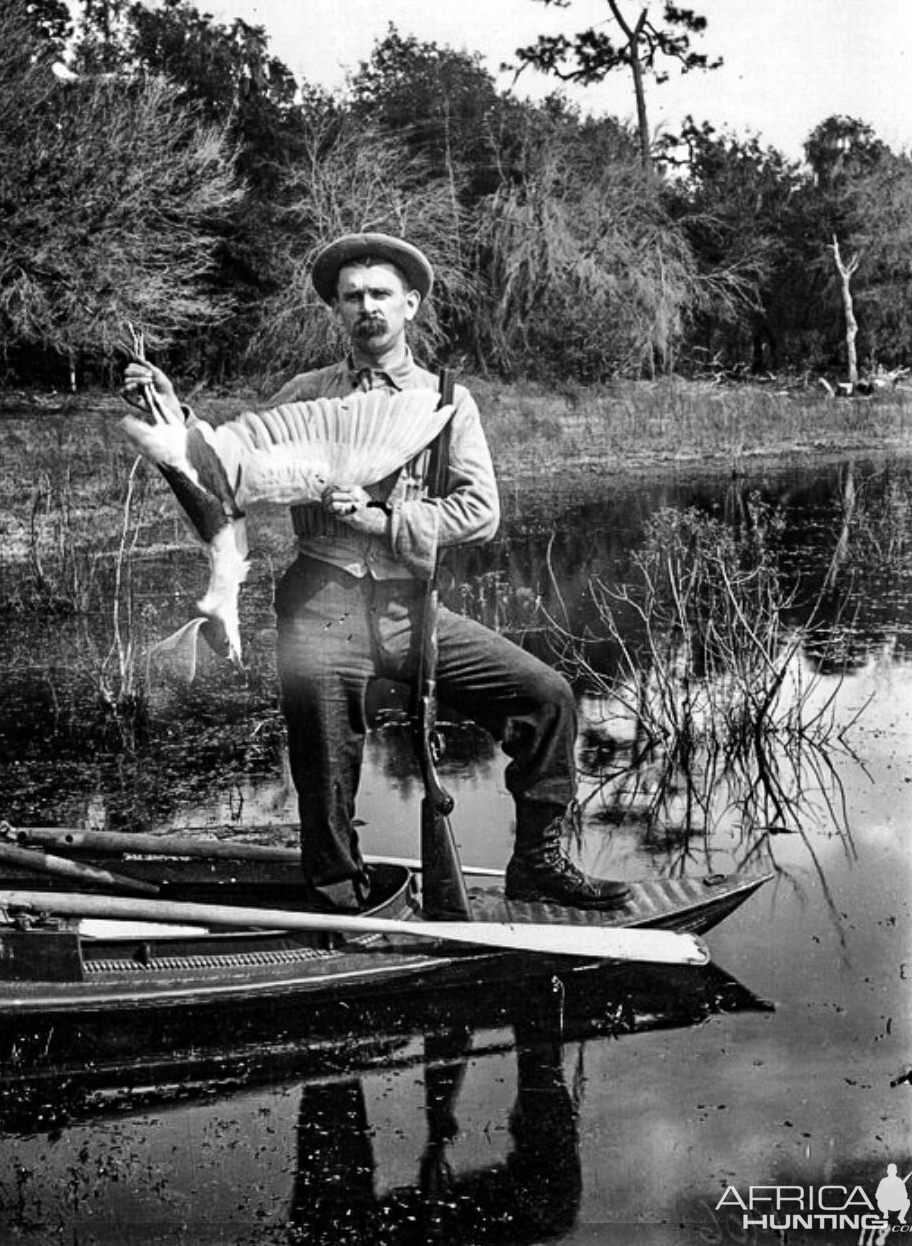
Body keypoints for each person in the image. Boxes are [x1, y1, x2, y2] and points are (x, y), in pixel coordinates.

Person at [127, 232, 631, 914]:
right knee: (325, 768)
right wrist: (169, 409)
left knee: (546, 697)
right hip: (321, 603)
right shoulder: (304, 395)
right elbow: (223, 468)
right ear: (338, 310)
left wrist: (382, 519)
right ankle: (341, 903)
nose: (367, 308)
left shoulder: (447, 401)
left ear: (411, 305)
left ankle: (537, 866)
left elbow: (481, 512)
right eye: (352, 296)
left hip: (409, 605)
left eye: (381, 295)